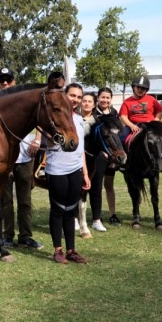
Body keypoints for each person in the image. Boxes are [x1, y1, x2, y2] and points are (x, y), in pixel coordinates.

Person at [0, 67, 43, 249]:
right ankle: (7, 235)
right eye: (2, 80)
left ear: (14, 82)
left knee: (25, 200)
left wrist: (38, 140)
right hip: (4, 159)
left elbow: (39, 117)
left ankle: (25, 235)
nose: (5, 83)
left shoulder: (23, 100)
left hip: (25, 156)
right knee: (5, 200)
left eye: (8, 80)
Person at [46, 83, 90, 264]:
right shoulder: (52, 118)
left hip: (76, 170)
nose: (76, 100)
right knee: (58, 210)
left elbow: (81, 150)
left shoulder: (79, 119)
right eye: (72, 95)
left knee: (71, 211)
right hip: (57, 170)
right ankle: (58, 250)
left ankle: (71, 250)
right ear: (64, 96)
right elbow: (46, 144)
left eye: (79, 97)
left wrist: (85, 173)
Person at [119, 77, 162, 158]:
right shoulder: (127, 102)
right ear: (133, 87)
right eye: (138, 87)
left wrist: (156, 120)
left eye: (143, 88)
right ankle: (124, 159)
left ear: (146, 89)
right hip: (134, 125)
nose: (140, 89)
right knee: (121, 137)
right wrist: (131, 125)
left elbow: (159, 111)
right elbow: (123, 116)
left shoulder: (151, 99)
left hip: (150, 125)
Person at [81, 92, 108, 232]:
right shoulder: (74, 119)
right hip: (78, 158)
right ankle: (75, 219)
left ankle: (96, 220)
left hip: (97, 158)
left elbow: (106, 138)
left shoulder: (99, 122)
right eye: (84, 100)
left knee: (96, 188)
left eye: (89, 101)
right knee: (77, 189)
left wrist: (105, 151)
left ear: (94, 104)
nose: (86, 103)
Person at [96, 87, 122, 226]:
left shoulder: (114, 113)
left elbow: (116, 135)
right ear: (98, 98)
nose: (105, 100)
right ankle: (97, 215)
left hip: (112, 155)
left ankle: (112, 214)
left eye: (107, 98)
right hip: (98, 156)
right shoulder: (93, 113)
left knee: (109, 185)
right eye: (103, 97)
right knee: (96, 186)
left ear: (111, 99)